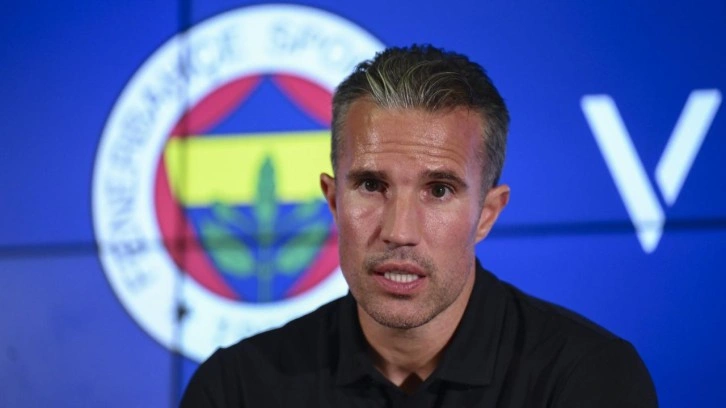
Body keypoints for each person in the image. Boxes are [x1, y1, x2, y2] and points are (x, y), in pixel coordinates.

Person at [180, 44, 658, 407]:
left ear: (487, 214)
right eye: (371, 185)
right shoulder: (235, 389)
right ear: (333, 200)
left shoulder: (589, 379)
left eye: (439, 190)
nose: (399, 231)